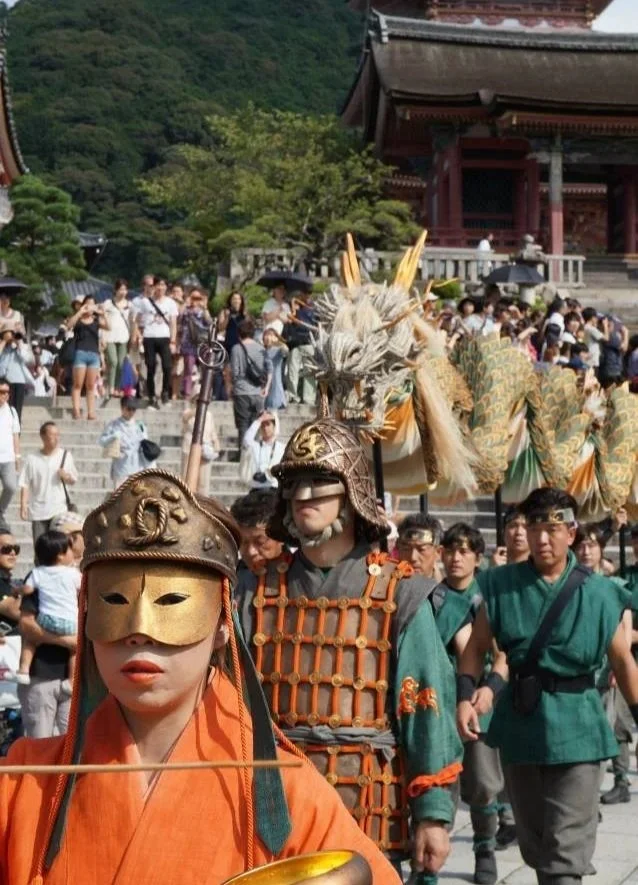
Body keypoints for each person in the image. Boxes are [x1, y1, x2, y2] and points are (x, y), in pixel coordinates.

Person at [0, 468, 399, 884]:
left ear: (222, 627)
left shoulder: (287, 794)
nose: (140, 632)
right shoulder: (24, 781)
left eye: (173, 602)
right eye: (113, 601)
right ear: (86, 617)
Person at [237, 418, 463, 882]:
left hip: (367, 804)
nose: (303, 498)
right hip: (276, 805)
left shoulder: (400, 594)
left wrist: (434, 816)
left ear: (351, 492)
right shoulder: (253, 593)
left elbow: (427, 710)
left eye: (319, 483)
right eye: (295, 484)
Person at [457, 487, 638, 885]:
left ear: (571, 533)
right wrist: (465, 696)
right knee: (536, 845)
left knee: (563, 856)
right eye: (534, 527)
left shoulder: (601, 592)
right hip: (521, 724)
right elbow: (475, 648)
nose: (542, 538)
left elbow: (622, 661)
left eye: (552, 529)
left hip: (578, 728)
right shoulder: (501, 586)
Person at [432, 524, 508, 885]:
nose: (455, 558)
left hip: (478, 700)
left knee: (481, 783)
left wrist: (490, 687)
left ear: (478, 558)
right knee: (435, 782)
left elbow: (500, 654)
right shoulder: (433, 597)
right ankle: (427, 862)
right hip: (439, 702)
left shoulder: (489, 595)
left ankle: (484, 848)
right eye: (449, 550)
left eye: (464, 551)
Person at [572, 524, 633, 806]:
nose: (586, 551)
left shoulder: (615, 587)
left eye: (592, 546)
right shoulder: (566, 585)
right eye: (581, 546)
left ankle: (616, 782)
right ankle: (586, 798)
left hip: (607, 672)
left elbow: (624, 634)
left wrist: (614, 669)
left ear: (601, 551)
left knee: (611, 728)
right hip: (578, 674)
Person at [14, 530, 80, 693]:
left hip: (46, 619)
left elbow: (28, 590)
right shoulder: (73, 574)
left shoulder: (37, 573)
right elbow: (83, 588)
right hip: (70, 623)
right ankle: (72, 681)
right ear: (60, 555)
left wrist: (17, 591)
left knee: (31, 641)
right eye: (70, 549)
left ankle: (23, 669)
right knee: (75, 649)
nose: (74, 553)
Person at [19, 421, 78, 545]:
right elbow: (25, 483)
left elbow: (73, 479)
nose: (56, 438)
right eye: (53, 435)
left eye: (58, 435)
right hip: (38, 511)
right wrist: (23, 505)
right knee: (40, 547)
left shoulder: (66, 456)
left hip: (59, 509)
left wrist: (66, 476)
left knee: (60, 546)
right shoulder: (32, 458)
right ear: (43, 437)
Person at [136, 276, 179, 409]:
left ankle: (165, 392)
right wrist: (139, 334)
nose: (160, 288)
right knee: (151, 366)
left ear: (166, 287)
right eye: (158, 285)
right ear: (153, 286)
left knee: (167, 366)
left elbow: (173, 323)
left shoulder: (170, 303)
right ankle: (152, 396)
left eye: (163, 285)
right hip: (149, 337)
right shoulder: (145, 302)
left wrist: (173, 340)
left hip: (164, 337)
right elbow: (137, 320)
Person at [65, 296, 110, 420]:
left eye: (92, 304)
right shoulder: (78, 319)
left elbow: (108, 327)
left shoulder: (96, 320)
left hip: (94, 354)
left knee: (91, 385)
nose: (90, 307)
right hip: (80, 353)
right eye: (88, 304)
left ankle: (91, 412)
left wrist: (103, 314)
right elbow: (69, 325)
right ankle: (76, 410)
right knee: (78, 384)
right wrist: (80, 312)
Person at [230, 319, 270, 449]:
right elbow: (269, 370)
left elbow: (235, 372)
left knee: (243, 425)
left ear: (239, 333)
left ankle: (243, 453)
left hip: (241, 391)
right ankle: (254, 453)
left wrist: (231, 387)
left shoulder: (236, 348)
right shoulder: (261, 349)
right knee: (255, 424)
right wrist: (266, 387)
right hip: (258, 392)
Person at [230, 488, 284, 575]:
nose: (251, 552)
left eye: (260, 542)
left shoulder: (303, 577)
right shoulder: (231, 581)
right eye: (243, 543)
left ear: (282, 537)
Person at [98, 396, 149, 487]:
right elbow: (101, 441)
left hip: (137, 467)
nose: (131, 412)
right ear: (122, 408)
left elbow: (145, 445)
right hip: (121, 468)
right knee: (121, 498)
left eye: (133, 409)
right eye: (129, 409)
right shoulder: (114, 424)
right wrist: (113, 436)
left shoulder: (139, 425)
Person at [180, 390, 219, 495]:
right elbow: (184, 419)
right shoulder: (188, 412)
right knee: (187, 478)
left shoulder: (209, 415)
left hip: (205, 449)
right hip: (189, 449)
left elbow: (212, 431)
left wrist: (216, 444)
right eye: (197, 398)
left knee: (203, 481)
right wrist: (198, 408)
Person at [179, 287, 212, 399]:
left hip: (202, 343)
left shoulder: (203, 311)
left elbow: (210, 323)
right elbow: (179, 318)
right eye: (194, 297)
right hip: (188, 343)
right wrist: (185, 303)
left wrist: (205, 308)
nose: (196, 300)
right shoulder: (186, 310)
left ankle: (205, 393)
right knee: (188, 368)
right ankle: (187, 394)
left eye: (198, 298)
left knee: (205, 369)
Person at [102, 278, 132, 402]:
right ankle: (110, 388)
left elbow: (133, 321)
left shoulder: (130, 305)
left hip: (124, 337)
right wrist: (102, 337)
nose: (123, 292)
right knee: (113, 361)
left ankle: (118, 388)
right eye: (120, 289)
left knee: (121, 363)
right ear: (115, 290)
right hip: (110, 337)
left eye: (125, 289)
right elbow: (103, 321)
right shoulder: (108, 303)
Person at [284, 295, 316, 406]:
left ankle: (306, 398)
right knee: (294, 371)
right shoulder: (297, 313)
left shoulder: (311, 312)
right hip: (298, 344)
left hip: (306, 343)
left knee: (309, 371)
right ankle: (296, 396)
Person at [241, 411, 285, 490]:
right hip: (256, 488)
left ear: (274, 426)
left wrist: (268, 475)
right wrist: (258, 421)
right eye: (262, 425)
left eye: (268, 425)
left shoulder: (281, 448)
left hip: (274, 489)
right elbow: (246, 439)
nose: (265, 428)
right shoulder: (255, 446)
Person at [217, 290, 245, 400]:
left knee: (240, 370)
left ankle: (239, 393)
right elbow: (220, 328)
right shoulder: (225, 312)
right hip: (229, 343)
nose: (236, 301)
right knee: (228, 371)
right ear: (230, 300)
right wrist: (227, 317)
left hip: (242, 345)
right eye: (234, 299)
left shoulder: (245, 314)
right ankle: (229, 395)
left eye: (238, 299)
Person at [396, 513, 443, 579]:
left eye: (421, 549)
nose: (413, 557)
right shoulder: (381, 586)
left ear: (438, 552)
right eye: (406, 549)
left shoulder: (443, 588)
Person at [0, 328, 33, 420]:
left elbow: (27, 359)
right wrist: (4, 341)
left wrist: (19, 342)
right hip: (2, 382)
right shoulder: (1, 347)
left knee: (16, 410)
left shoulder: (22, 347)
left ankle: (16, 432)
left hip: (17, 381)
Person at [0, 377, 20, 526]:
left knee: (11, 486)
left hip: (8, 458)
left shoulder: (12, 411)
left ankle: (0, 511)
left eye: (7, 392)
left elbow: (15, 435)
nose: (4, 395)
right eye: (1, 392)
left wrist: (17, 456)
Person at [263, 326, 288, 410]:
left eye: (270, 335)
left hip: (275, 386)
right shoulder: (262, 351)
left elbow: (285, 351)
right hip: (265, 386)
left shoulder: (277, 350)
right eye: (266, 335)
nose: (267, 337)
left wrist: (279, 343)